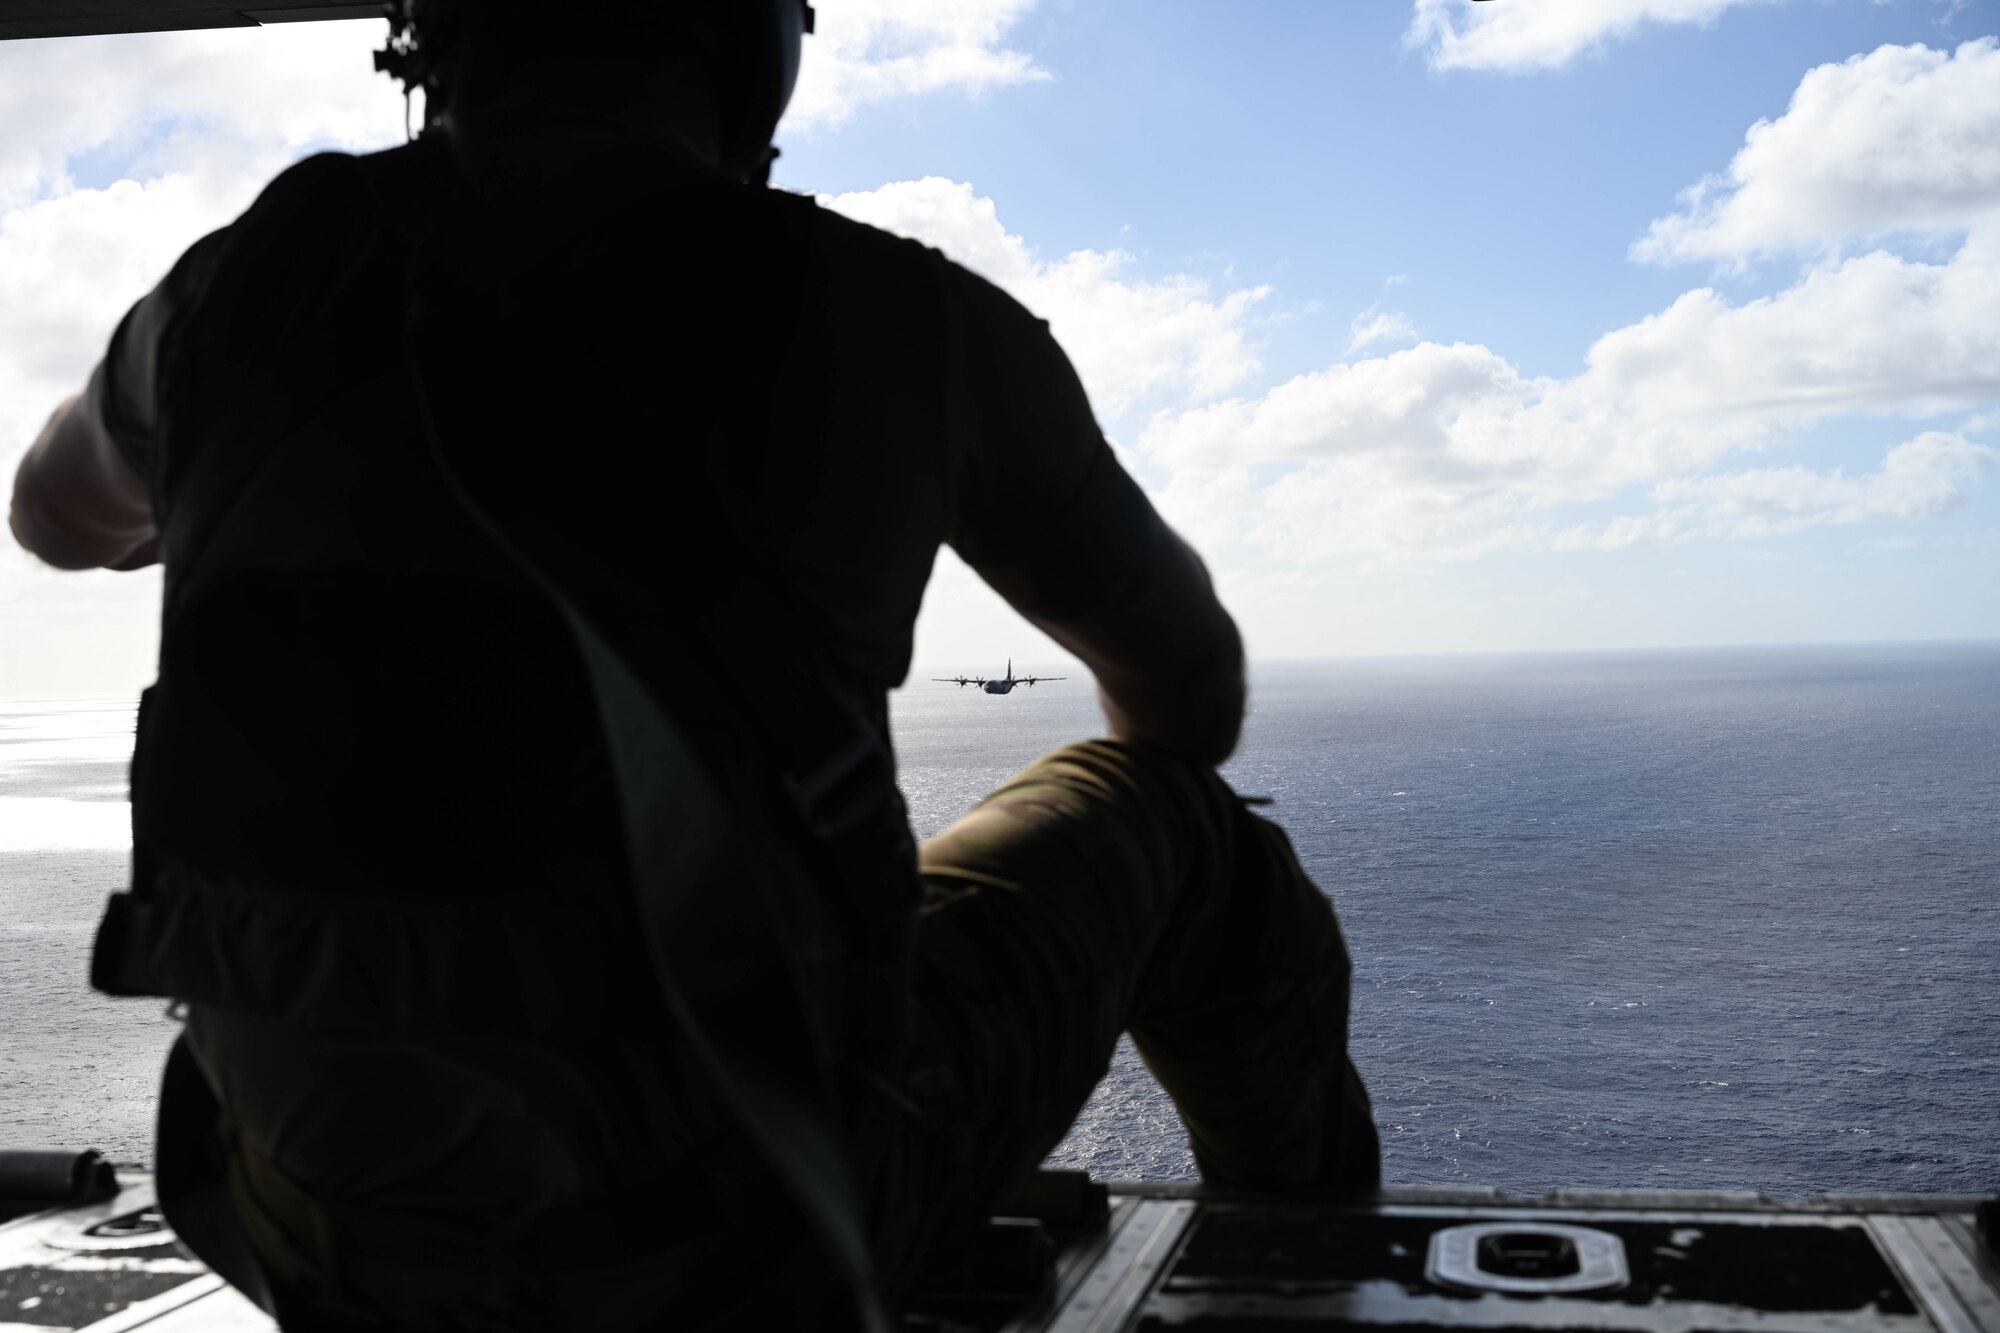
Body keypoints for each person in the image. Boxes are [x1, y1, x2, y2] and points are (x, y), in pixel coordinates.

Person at [9, 1, 1379, 1327]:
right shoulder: (899, 316)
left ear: (435, 39)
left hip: (300, 1226)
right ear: (746, 49)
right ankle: (1307, 1271)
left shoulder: (227, 291)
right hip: (739, 1244)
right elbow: (1188, 696)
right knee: (1175, 817)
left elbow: (50, 513)